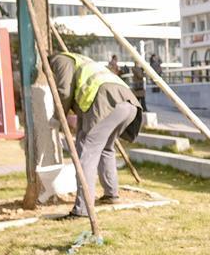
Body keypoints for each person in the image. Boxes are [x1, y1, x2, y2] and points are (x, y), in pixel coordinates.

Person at [50, 50, 142, 217]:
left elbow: (64, 91)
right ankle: (111, 194)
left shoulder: (58, 59)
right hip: (128, 103)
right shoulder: (82, 60)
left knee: (87, 152)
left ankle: (82, 209)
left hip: (107, 101)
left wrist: (57, 118)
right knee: (106, 148)